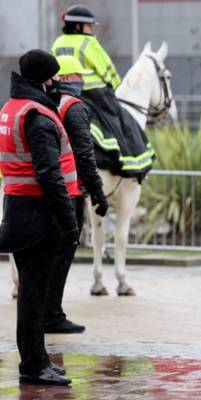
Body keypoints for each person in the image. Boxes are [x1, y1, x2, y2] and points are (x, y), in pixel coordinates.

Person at [0, 49, 80, 385]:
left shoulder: (11, 107)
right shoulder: (38, 115)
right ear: (44, 79)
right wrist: (69, 220)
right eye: (54, 78)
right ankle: (34, 366)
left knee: (32, 295)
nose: (57, 84)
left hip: (18, 208)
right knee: (34, 297)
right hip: (37, 216)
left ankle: (38, 360)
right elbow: (49, 173)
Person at [41, 55, 109, 334]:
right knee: (63, 250)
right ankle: (52, 314)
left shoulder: (45, 103)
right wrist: (97, 192)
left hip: (43, 189)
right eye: (79, 76)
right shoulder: (74, 107)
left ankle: (44, 312)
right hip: (68, 191)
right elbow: (84, 154)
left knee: (46, 254)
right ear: (67, 78)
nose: (83, 81)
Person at [51, 5, 153, 179]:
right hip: (94, 94)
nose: (92, 29)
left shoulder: (58, 43)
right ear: (78, 26)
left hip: (61, 91)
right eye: (90, 26)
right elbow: (107, 69)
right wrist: (115, 86)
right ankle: (127, 160)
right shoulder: (88, 42)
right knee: (121, 121)